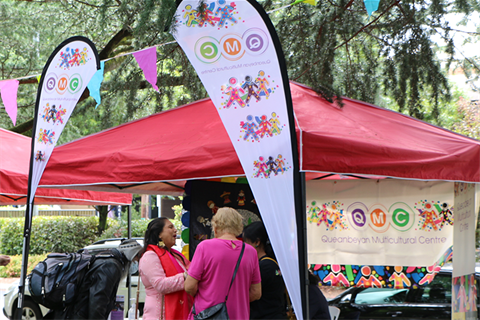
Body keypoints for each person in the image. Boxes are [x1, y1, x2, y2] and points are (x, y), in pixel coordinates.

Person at [185, 207, 262, 320]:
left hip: (206, 314)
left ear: (215, 227)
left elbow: (189, 286)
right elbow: (256, 292)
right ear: (239, 227)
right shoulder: (251, 251)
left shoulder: (205, 247)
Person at [45, 239, 143, 320]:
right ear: (131, 255)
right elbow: (98, 300)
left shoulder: (107, 259)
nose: (136, 263)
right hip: (79, 314)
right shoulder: (111, 266)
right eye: (136, 259)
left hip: (74, 312)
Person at [139, 217, 192, 320]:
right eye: (170, 227)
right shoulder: (150, 256)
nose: (175, 230)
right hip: (158, 315)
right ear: (159, 234)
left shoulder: (175, 256)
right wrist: (186, 276)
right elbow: (160, 285)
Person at [243, 221, 288, 320]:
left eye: (246, 241)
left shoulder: (264, 267)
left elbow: (250, 292)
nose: (244, 246)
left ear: (257, 242)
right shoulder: (272, 263)